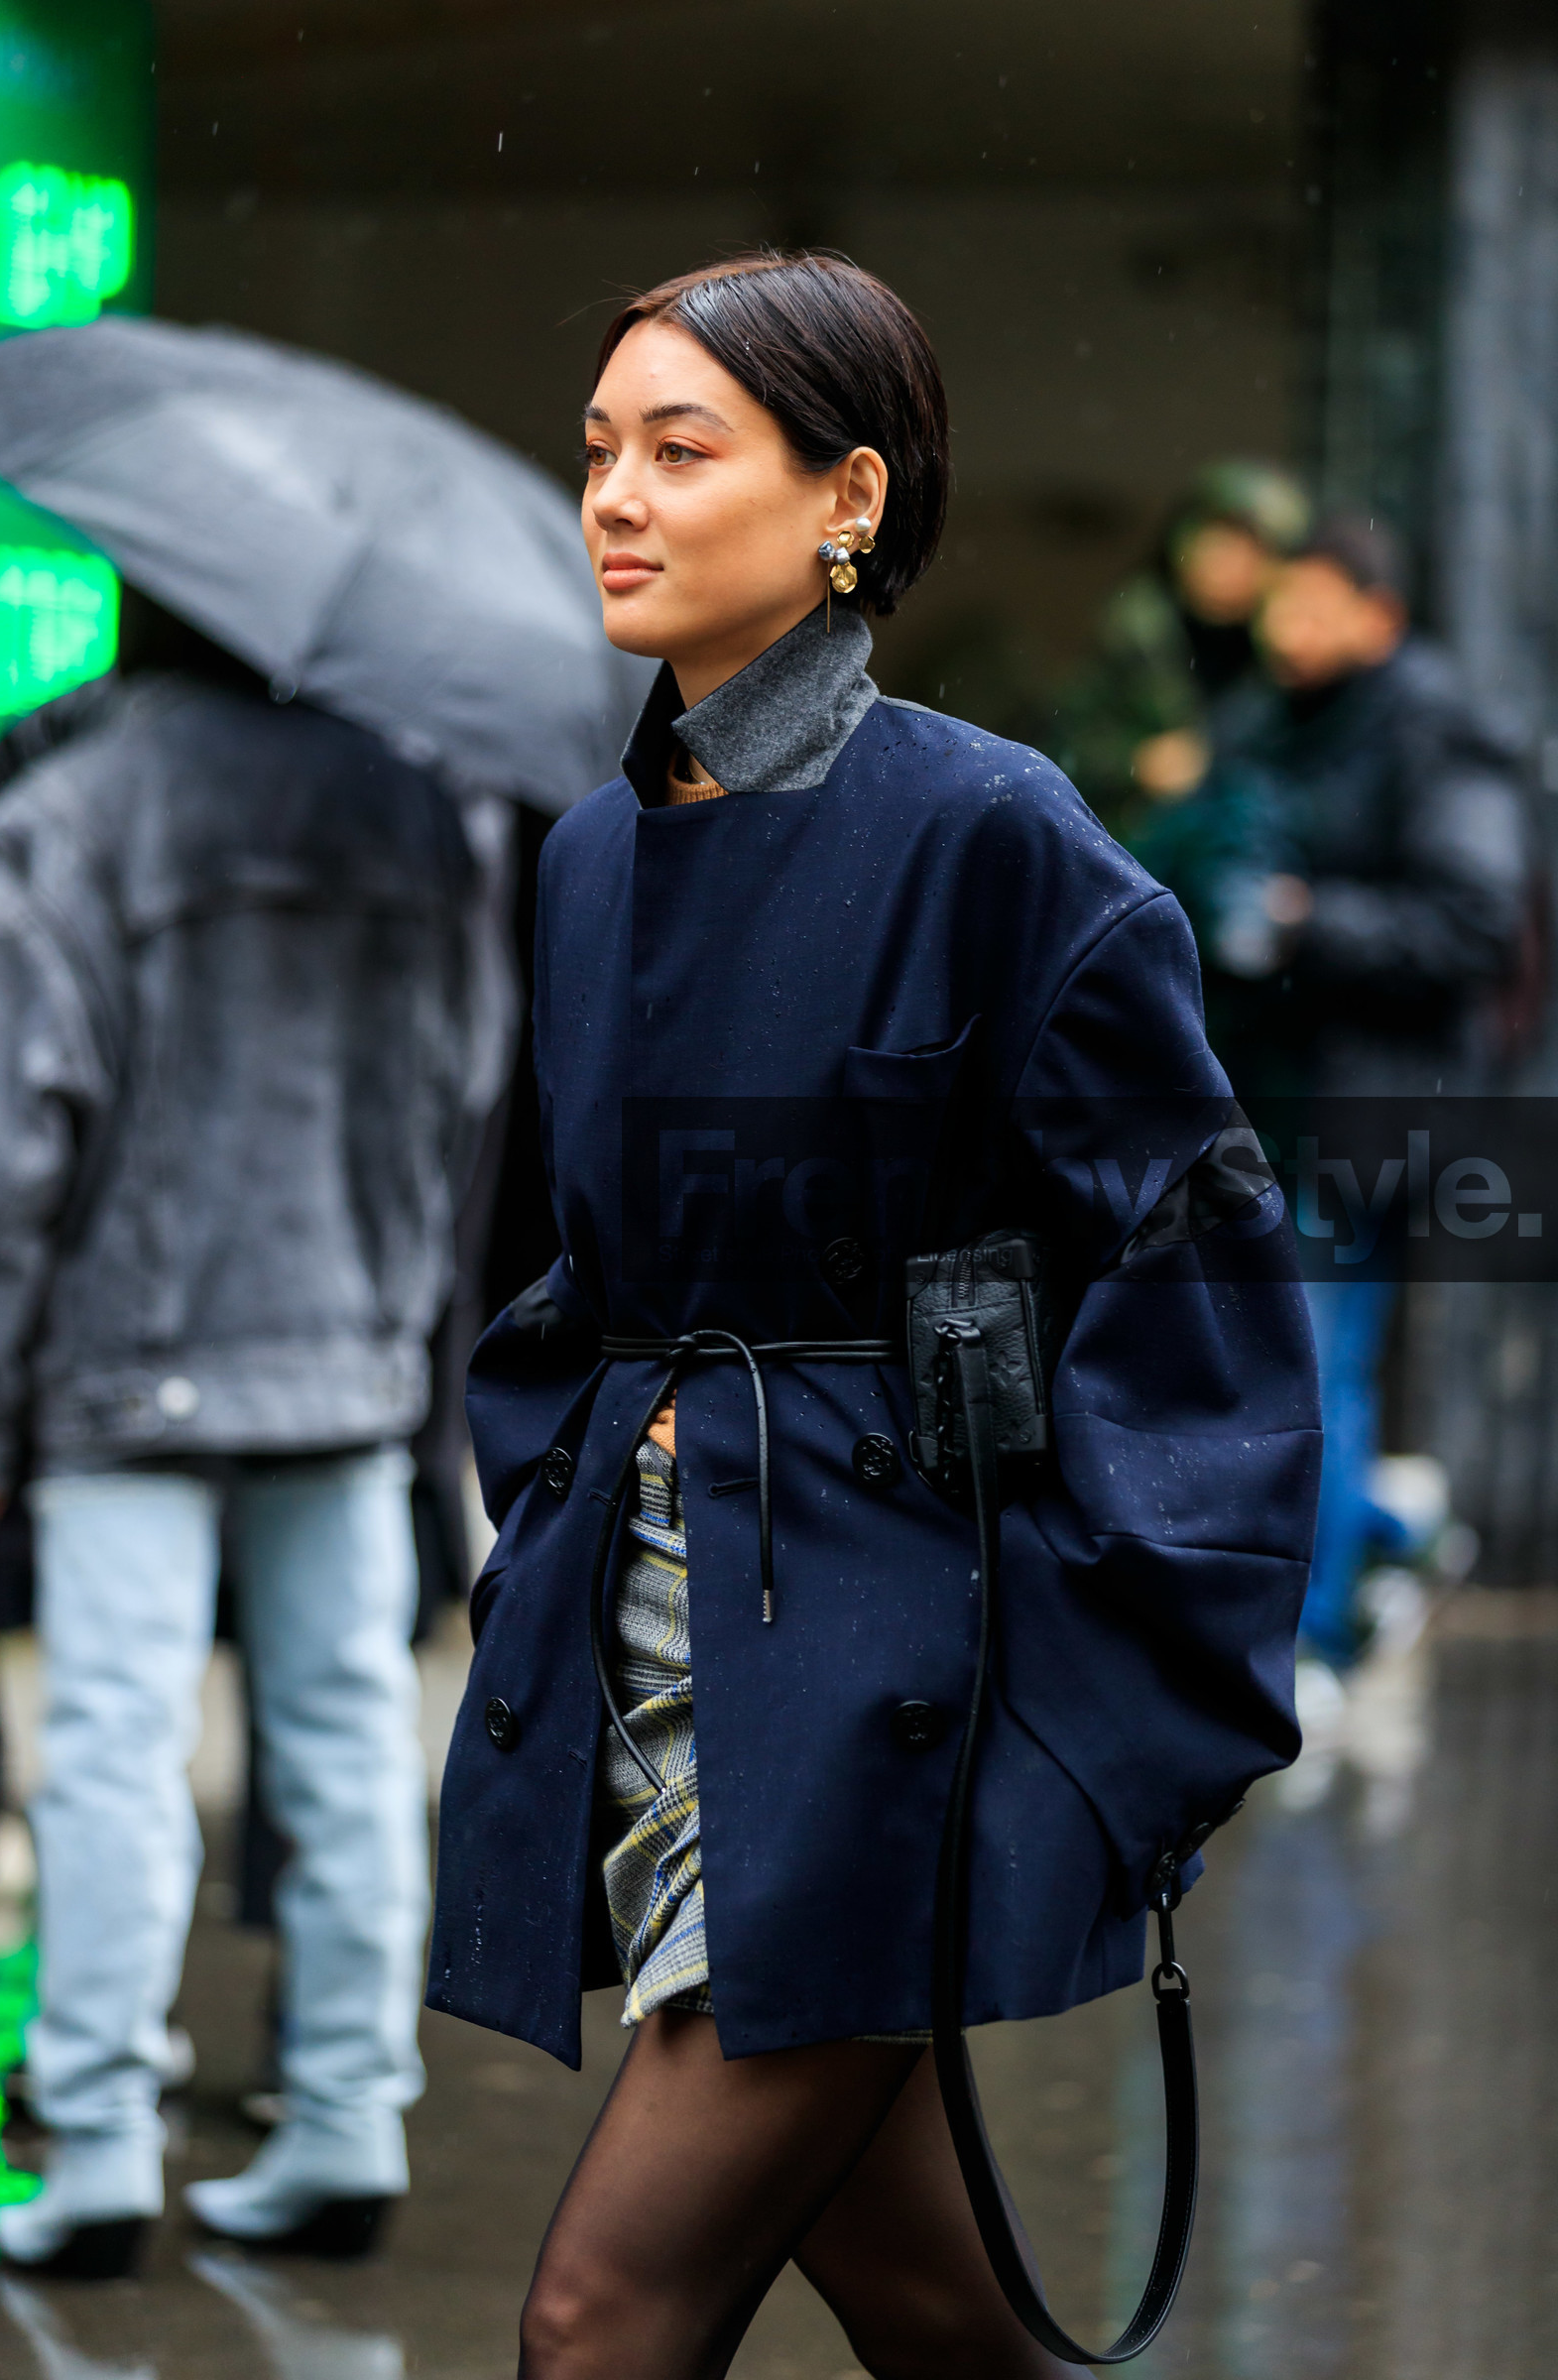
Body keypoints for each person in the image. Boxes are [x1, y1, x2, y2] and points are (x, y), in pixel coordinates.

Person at [426, 252, 1320, 2379]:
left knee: (595, 2320)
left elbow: (1189, 1254)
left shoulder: (989, 831)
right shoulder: (578, 857)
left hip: (888, 1661)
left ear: (847, 497)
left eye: (678, 448)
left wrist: (1110, 1662)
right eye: (595, 453)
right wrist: (578, 1465)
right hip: (651, 1638)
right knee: (932, 2309)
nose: (613, 500)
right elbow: (542, 1259)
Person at [0, 595, 510, 2276]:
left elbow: (5, 1140)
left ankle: (108, 2141)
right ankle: (348, 2123)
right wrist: (402, 1321)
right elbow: (467, 1086)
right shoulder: (421, 805)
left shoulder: (77, 810)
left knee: (121, 1751)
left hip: (126, 1360)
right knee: (350, 1745)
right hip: (343, 1352)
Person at [1225, 515, 1531, 1670]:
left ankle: (1307, 1646)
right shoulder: (1272, 723)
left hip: (1376, 1110)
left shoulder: (1436, 731)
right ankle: (1391, 1536)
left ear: (1378, 615)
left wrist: (1311, 920)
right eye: (1277, 605)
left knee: (1309, 1361)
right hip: (1279, 1102)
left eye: (1312, 607)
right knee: (1278, 1359)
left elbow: (1471, 921)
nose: (1286, 629)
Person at [1053, 457, 1309, 841]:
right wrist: (1137, 765)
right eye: (1215, 544)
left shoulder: (1288, 647)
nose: (1226, 566)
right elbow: (1061, 749)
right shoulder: (1136, 631)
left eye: (1250, 552)